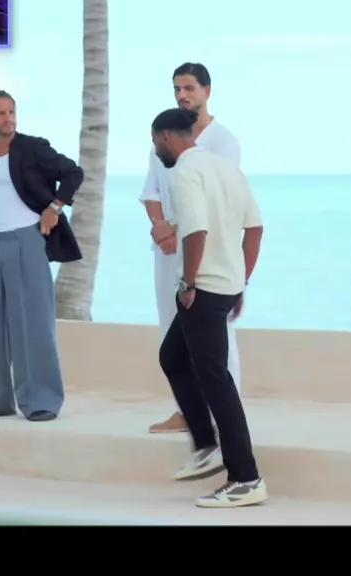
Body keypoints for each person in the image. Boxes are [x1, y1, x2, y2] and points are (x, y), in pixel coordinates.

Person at [151, 107, 267, 508]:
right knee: (172, 357)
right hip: (225, 286)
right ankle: (207, 445)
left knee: (216, 380)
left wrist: (188, 282)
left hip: (202, 290)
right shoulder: (226, 168)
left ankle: (246, 478)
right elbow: (255, 229)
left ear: (166, 137)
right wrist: (241, 281)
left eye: (156, 143)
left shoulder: (184, 172)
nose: (157, 151)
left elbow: (196, 232)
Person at [0, 91, 83, 422]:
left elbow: (73, 173)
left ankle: (41, 400)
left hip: (27, 241)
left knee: (33, 323)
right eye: (0, 113)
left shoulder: (33, 148)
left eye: (11, 111)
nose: (8, 118)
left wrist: (55, 208)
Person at [140, 62, 245, 435]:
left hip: (206, 254)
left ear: (206, 91)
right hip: (167, 252)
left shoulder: (223, 143)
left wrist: (178, 229)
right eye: (177, 89)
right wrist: (160, 226)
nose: (182, 95)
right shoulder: (164, 139)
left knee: (217, 336)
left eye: (189, 88)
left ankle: (223, 415)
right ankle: (187, 410)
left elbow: (220, 199)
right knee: (171, 330)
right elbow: (151, 192)